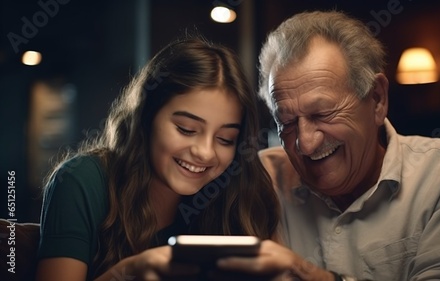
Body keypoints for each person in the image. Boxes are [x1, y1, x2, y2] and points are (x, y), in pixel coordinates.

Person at [215, 10, 440, 281]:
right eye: (287, 122)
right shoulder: (262, 179)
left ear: (377, 99)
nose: (306, 143)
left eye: (322, 114)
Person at [35, 35, 280, 281]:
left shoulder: (241, 193)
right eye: (186, 129)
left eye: (225, 139)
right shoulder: (81, 181)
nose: (205, 152)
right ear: (147, 116)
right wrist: (128, 271)